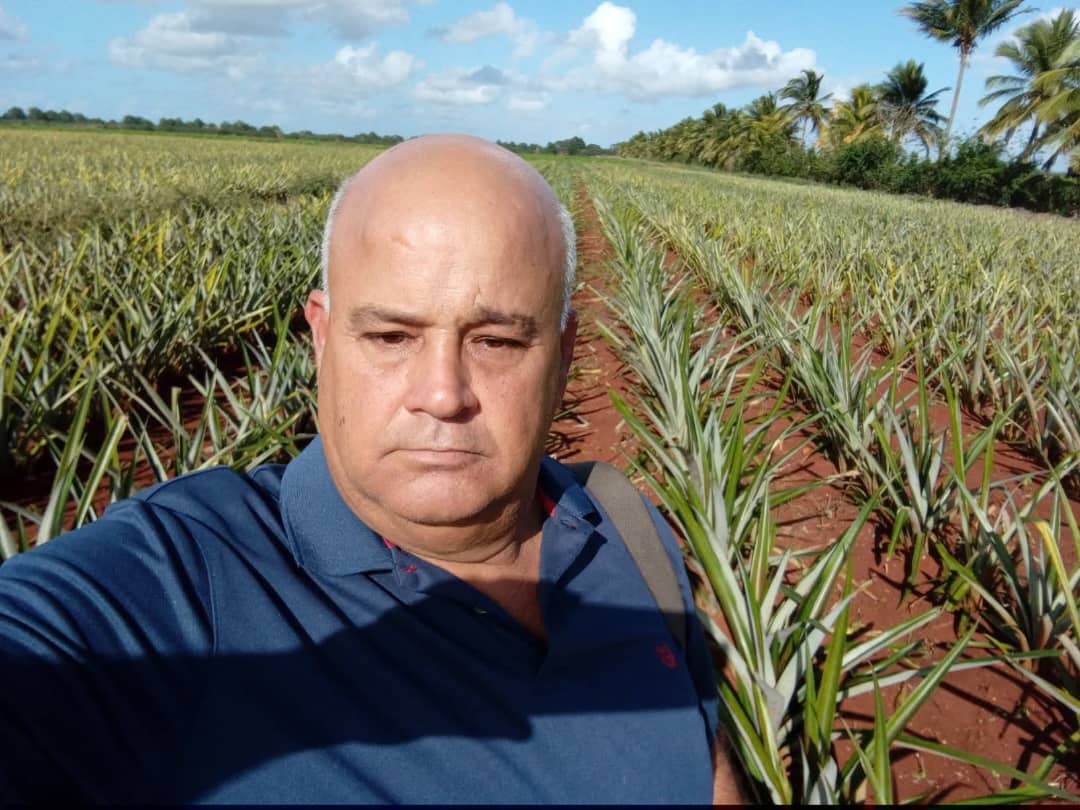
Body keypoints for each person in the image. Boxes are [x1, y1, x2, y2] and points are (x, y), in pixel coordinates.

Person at [0, 135, 743, 804]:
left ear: (565, 353)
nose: (443, 395)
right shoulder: (185, 582)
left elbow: (702, 765)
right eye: (391, 336)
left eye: (497, 342)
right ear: (321, 340)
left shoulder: (624, 526)